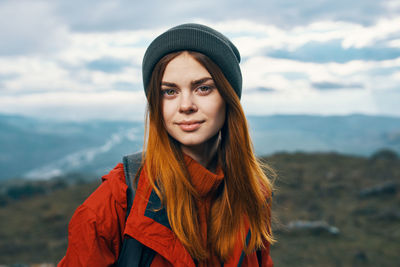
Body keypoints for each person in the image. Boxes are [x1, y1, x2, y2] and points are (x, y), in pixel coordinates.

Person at [58, 23, 275, 267]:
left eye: (203, 88)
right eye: (169, 92)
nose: (186, 105)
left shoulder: (252, 193)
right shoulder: (114, 202)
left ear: (228, 97)